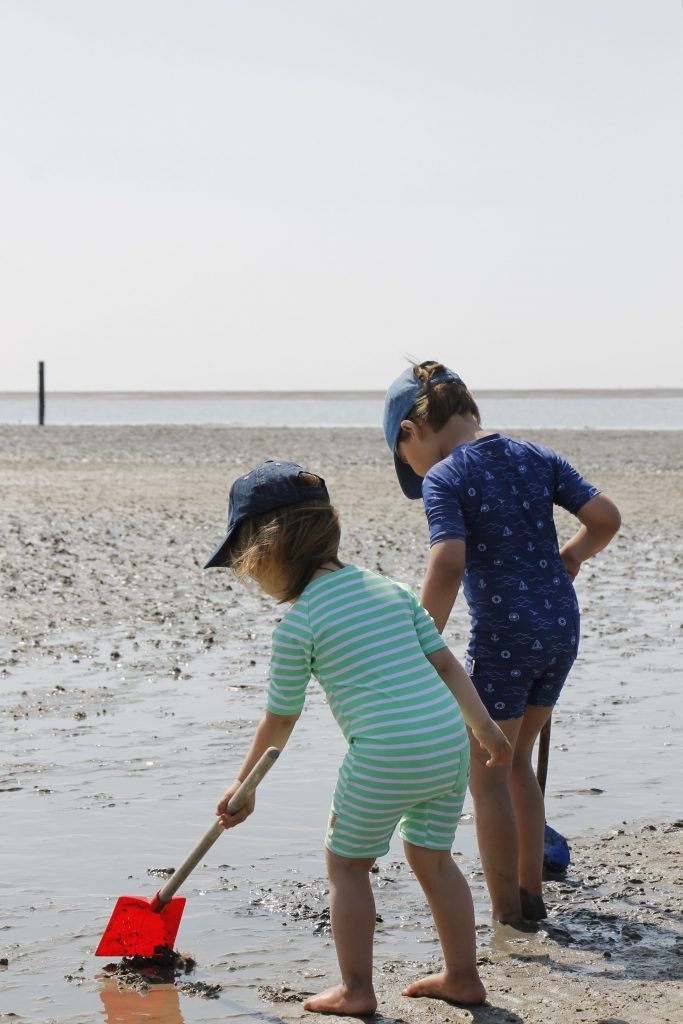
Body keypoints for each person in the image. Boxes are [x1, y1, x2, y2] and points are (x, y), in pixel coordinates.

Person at [204, 458, 511, 1015]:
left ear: (268, 551)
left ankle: (356, 990)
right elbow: (444, 665)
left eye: (246, 563)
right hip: (446, 742)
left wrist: (244, 786)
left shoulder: (299, 625)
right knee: (434, 859)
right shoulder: (391, 590)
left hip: (384, 756)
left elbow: (279, 721)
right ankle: (464, 978)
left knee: (348, 866)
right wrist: (485, 729)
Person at [383, 362, 621, 925]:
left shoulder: (444, 477)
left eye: (404, 461)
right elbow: (606, 518)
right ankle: (530, 895)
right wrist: (572, 556)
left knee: (487, 770)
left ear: (411, 432)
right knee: (516, 763)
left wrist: (421, 638)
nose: (416, 474)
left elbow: (447, 561)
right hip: (561, 626)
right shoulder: (537, 456)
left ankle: (508, 915)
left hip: (506, 637)